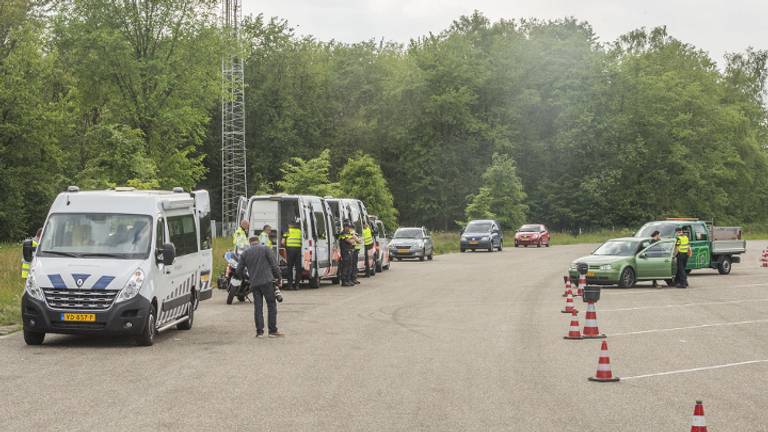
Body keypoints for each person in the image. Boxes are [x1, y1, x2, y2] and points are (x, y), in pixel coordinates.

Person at [237, 236, 283, 337]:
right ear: (258, 241)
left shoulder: (245, 253)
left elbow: (238, 270)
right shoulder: (265, 249)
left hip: (254, 283)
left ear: (250, 243)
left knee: (258, 307)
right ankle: (272, 331)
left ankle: (259, 332)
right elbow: (274, 265)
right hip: (267, 282)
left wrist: (245, 279)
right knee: (271, 305)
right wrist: (279, 278)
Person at [282, 220, 302, 290]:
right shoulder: (299, 231)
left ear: (290, 225)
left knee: (289, 267)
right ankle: (297, 285)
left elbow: (283, 242)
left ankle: (290, 285)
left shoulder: (287, 231)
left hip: (290, 250)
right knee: (298, 268)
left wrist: (285, 247)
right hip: (298, 250)